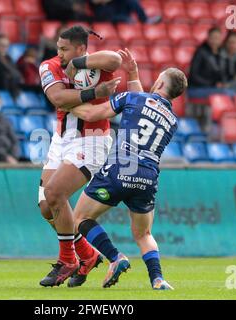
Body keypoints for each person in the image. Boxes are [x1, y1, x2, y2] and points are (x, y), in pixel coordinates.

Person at [70, 50, 187, 290]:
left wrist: (65, 103)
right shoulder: (172, 120)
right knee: (143, 234)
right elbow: (145, 105)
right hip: (147, 177)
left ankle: (115, 257)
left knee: (80, 217)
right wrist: (133, 73)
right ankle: (158, 279)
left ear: (160, 82)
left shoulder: (133, 99)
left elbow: (93, 113)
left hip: (120, 168)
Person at [38, 25, 122, 288]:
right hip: (61, 140)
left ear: (80, 48)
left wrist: (79, 63)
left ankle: (68, 260)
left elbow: (116, 59)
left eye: (64, 49)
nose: (59, 53)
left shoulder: (94, 64)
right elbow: (58, 98)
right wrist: (96, 93)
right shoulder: (49, 66)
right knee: (45, 207)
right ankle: (87, 255)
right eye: (58, 48)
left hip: (92, 139)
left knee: (54, 194)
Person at [90, 0, 161, 24]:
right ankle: (126, 19)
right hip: (103, 11)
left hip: (116, 7)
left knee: (132, 1)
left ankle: (144, 19)